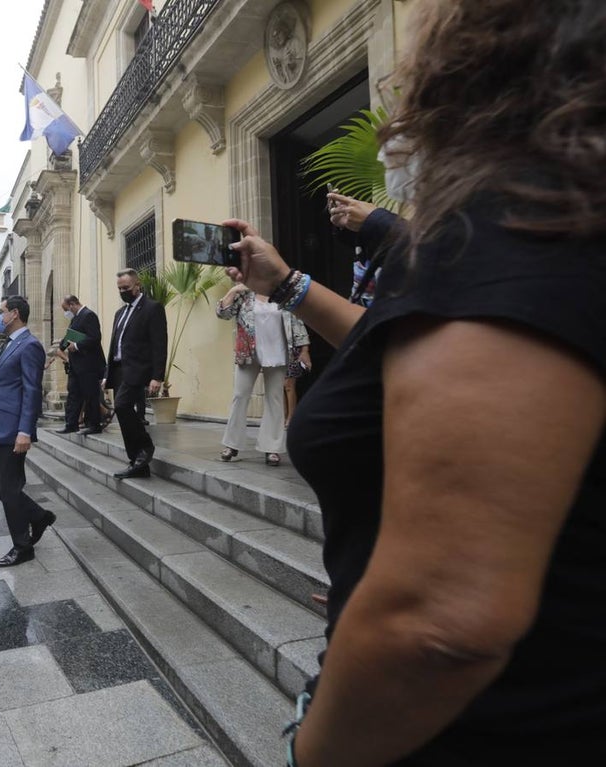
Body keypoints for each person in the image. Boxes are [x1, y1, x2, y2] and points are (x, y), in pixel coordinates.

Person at [228, 3, 606, 762]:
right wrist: (289, 282)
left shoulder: (519, 226)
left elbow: (439, 623)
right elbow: (386, 343)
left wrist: (316, 750)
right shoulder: (545, 225)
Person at [0, 296, 53, 567]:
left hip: (12, 431)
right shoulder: (7, 345)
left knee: (9, 487)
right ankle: (38, 515)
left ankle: (22, 546)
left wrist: (25, 431)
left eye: (1, 311)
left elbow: (31, 391)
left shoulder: (30, 346)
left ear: (14, 314)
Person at [215, 284, 308, 465]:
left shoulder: (283, 293)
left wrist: (304, 349)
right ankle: (231, 444)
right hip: (248, 352)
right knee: (240, 396)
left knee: (274, 399)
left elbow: (296, 321)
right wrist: (234, 290)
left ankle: (271, 448)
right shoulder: (244, 294)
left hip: (278, 352)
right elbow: (223, 314)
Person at [103, 269, 167, 479]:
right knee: (123, 410)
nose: (122, 291)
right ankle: (138, 463)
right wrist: (107, 374)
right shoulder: (120, 313)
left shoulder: (152, 308)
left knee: (121, 406)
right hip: (120, 368)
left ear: (137, 285)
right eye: (119, 288)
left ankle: (144, 449)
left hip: (139, 368)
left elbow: (159, 343)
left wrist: (157, 376)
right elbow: (115, 345)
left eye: (126, 288)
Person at [54, 295, 106, 435]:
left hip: (88, 364)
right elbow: (70, 335)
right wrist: (62, 346)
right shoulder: (75, 318)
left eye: (66, 309)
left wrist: (76, 346)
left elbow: (95, 337)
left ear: (72, 304)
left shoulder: (89, 315)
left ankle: (93, 424)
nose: (66, 312)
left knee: (90, 395)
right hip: (76, 365)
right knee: (73, 394)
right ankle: (71, 424)